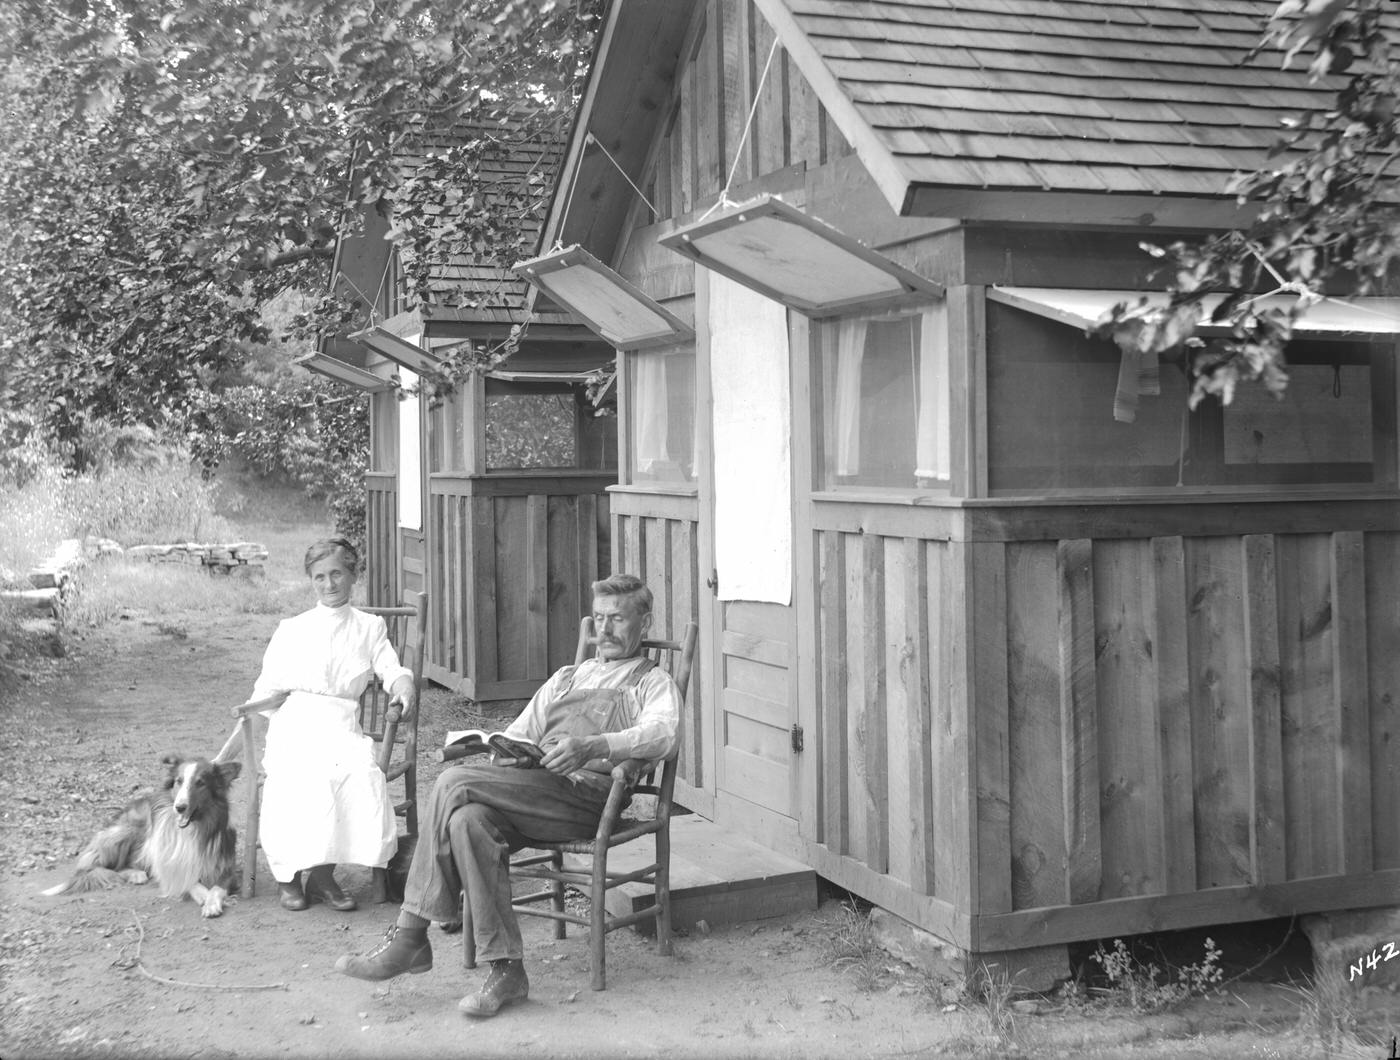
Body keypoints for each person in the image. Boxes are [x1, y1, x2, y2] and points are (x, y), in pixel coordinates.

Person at [335, 573, 682, 1018]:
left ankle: (410, 934)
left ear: (645, 622)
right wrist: (503, 750)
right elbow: (518, 732)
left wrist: (594, 745)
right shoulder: (567, 678)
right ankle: (507, 971)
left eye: (617, 619)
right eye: (598, 619)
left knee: (453, 783)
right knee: (466, 821)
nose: (605, 630)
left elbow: (663, 735)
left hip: (587, 800)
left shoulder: (651, 683)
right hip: (535, 790)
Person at [215, 537, 416, 913]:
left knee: (354, 773)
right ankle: (288, 877)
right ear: (311, 580)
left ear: (353, 575)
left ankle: (323, 876)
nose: (329, 584)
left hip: (340, 725)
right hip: (296, 723)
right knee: (295, 774)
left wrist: (404, 688)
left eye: (337, 573)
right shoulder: (292, 629)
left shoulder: (369, 627)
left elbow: (393, 671)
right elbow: (265, 693)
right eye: (319, 577)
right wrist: (226, 754)